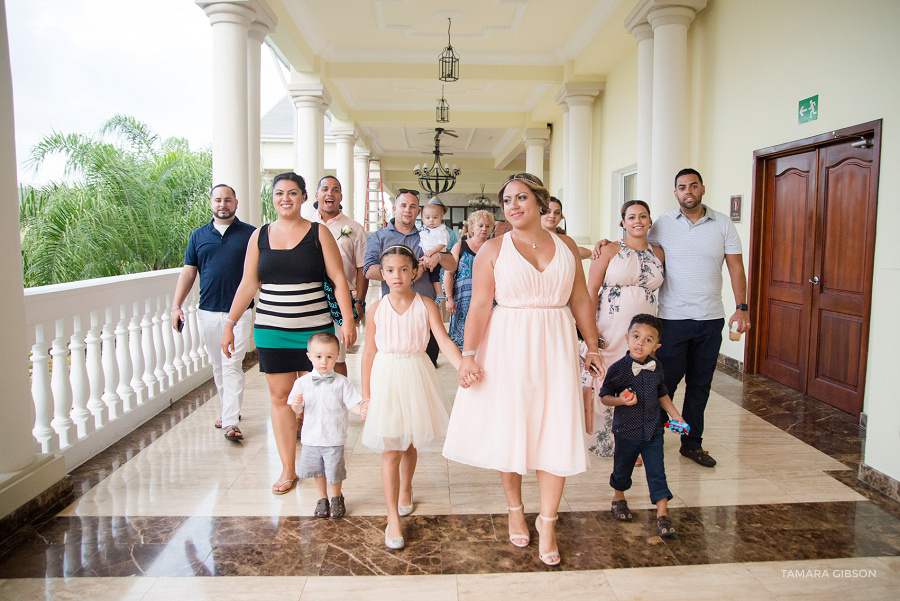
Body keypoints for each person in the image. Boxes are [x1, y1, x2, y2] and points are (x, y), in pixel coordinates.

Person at [442, 173, 603, 566]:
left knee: (556, 429)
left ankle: (547, 521)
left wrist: (593, 344)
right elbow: (480, 305)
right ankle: (515, 507)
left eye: (521, 198)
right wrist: (468, 354)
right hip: (508, 342)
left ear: (541, 201)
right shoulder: (493, 249)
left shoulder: (565, 246)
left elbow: (580, 297)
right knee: (511, 427)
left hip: (556, 339)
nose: (512, 206)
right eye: (507, 200)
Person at [595, 169, 750, 467]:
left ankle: (691, 443)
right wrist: (605, 243)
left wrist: (741, 306)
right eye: (682, 187)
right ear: (675, 192)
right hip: (672, 319)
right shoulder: (662, 225)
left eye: (693, 185)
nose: (688, 191)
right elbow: (632, 241)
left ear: (703, 188)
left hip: (710, 318)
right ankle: (649, 435)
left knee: (700, 384)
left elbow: (736, 268)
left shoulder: (723, 224)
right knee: (662, 385)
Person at [221, 171, 356, 495]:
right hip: (272, 331)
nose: (286, 198)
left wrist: (348, 321)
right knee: (280, 398)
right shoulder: (260, 237)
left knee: (322, 397)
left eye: (292, 193)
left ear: (303, 196)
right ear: (273, 198)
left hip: (316, 333)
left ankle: (324, 461)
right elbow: (248, 283)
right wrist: (229, 323)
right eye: (279, 193)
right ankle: (287, 469)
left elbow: (338, 278)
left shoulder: (318, 233)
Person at [360, 245, 465, 549]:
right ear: (382, 273)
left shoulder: (427, 304)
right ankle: (392, 516)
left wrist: (462, 367)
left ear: (415, 272)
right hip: (387, 375)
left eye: (403, 269)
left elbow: (443, 341)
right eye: (390, 270)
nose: (396, 276)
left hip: (417, 372)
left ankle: (407, 486)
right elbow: (369, 353)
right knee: (390, 447)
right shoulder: (376, 308)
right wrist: (366, 396)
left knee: (409, 441)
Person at [171, 184, 255, 441]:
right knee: (218, 365)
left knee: (232, 364)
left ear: (236, 203)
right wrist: (176, 306)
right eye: (218, 200)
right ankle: (229, 409)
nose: (223, 204)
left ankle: (230, 421)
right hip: (207, 311)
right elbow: (188, 272)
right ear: (211, 204)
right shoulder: (198, 236)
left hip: (239, 312)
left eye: (227, 200)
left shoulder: (250, 235)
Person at [584, 200, 664, 460]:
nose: (637, 221)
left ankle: (633, 441)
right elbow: (590, 291)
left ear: (650, 221)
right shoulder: (608, 249)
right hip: (611, 327)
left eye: (643, 216)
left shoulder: (659, 253)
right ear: (623, 222)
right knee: (606, 378)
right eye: (631, 217)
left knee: (639, 380)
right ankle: (603, 436)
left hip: (646, 327)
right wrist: (589, 331)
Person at [598, 313, 684, 539]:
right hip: (627, 430)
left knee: (657, 472)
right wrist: (620, 400)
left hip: (653, 430)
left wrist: (677, 417)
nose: (640, 343)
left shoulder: (657, 367)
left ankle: (662, 514)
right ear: (627, 338)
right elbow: (605, 396)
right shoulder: (619, 369)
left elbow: (662, 394)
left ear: (657, 345)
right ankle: (619, 498)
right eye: (636, 336)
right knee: (623, 468)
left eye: (648, 340)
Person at [363, 189, 457, 367]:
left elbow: (452, 265)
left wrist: (437, 257)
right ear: (394, 208)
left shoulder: (428, 235)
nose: (407, 210)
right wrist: (399, 273)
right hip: (393, 313)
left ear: (418, 212)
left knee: (427, 367)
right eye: (403, 205)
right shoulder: (379, 237)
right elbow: (368, 270)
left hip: (425, 314)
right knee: (393, 367)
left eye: (413, 206)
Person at [287, 331, 364, 519]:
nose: (323, 361)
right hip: (311, 438)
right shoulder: (302, 383)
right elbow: (296, 410)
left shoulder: (343, 383)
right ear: (309, 357)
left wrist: (361, 410)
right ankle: (322, 498)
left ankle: (336, 497)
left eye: (329, 357)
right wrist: (297, 403)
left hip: (334, 437)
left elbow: (352, 403)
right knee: (317, 471)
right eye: (319, 357)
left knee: (334, 471)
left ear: (336, 357)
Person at [311, 175, 369, 377]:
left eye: (335, 190)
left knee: (337, 356)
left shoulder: (354, 229)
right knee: (312, 357)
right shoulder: (305, 224)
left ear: (341, 196)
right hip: (309, 299)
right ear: (317, 194)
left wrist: (359, 302)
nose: (330, 193)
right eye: (325, 189)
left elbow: (362, 268)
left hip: (340, 300)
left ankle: (338, 402)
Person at [444, 210, 495, 350]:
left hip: (488, 302)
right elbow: (448, 273)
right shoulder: (460, 246)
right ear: (472, 226)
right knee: (463, 344)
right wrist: (449, 298)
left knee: (487, 343)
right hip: (462, 302)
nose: (484, 229)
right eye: (480, 225)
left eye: (488, 226)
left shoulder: (494, 247)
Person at [418, 201, 450, 300]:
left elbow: (442, 243)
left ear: (440, 218)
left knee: (435, 278)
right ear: (423, 219)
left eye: (435, 218)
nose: (431, 220)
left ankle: (439, 295)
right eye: (428, 218)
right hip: (425, 257)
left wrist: (432, 252)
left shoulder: (441, 230)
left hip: (434, 256)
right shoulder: (423, 229)